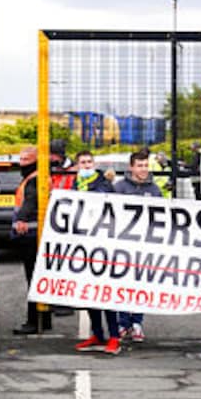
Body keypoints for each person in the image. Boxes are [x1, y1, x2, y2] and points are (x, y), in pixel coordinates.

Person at [70, 150, 122, 356]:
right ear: (77, 165)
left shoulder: (103, 183)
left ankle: (114, 336)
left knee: (105, 293)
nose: (86, 165)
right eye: (82, 162)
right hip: (84, 246)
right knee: (90, 294)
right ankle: (98, 334)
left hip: (103, 245)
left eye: (89, 162)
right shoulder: (74, 185)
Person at [114, 150, 164, 343]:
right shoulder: (119, 188)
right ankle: (122, 323)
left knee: (141, 284)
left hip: (145, 246)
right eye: (140, 165)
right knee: (123, 283)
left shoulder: (154, 190)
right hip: (124, 245)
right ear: (131, 167)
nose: (144, 169)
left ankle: (137, 323)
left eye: (146, 165)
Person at [11, 146, 52, 335]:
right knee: (39, 276)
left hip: (32, 234)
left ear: (36, 160)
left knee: (33, 277)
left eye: (26, 159)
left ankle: (34, 321)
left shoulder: (35, 179)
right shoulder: (38, 177)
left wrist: (22, 219)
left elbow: (30, 200)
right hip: (38, 232)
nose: (22, 163)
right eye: (20, 159)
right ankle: (44, 318)